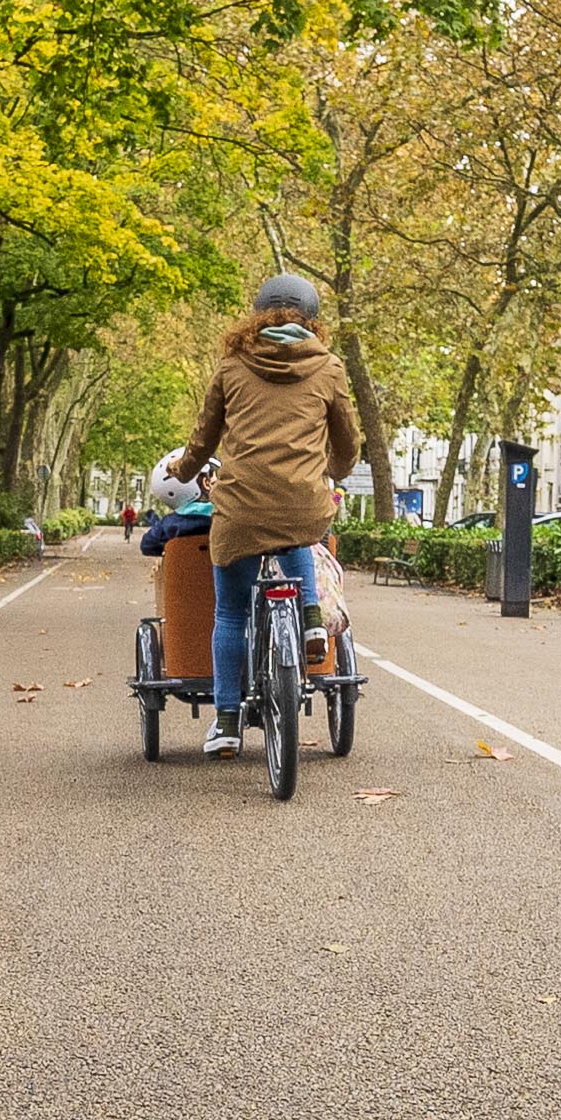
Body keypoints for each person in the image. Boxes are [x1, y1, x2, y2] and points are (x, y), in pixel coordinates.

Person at [164, 274, 360, 758]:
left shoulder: (232, 366)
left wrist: (182, 469)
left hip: (240, 507)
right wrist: (329, 472)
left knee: (230, 612)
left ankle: (227, 722)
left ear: (257, 316)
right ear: (312, 320)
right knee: (299, 531)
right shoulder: (329, 367)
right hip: (304, 503)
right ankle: (312, 620)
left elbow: (204, 439)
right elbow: (349, 441)